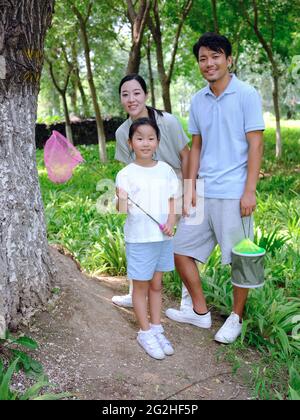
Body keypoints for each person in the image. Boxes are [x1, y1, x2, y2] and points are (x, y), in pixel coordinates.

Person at [166, 32, 265, 344]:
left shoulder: (247, 94)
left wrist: (249, 190)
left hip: (235, 193)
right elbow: (196, 146)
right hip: (204, 191)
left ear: (229, 59)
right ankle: (199, 311)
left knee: (241, 258)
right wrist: (190, 187)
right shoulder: (198, 100)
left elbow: (256, 144)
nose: (208, 63)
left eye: (215, 56)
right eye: (203, 59)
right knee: (180, 249)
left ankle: (236, 317)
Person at [112, 74, 192, 311]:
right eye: (125, 94)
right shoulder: (121, 133)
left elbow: (186, 155)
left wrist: (189, 191)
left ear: (146, 95)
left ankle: (188, 305)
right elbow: (128, 171)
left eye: (136, 93)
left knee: (183, 246)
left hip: (175, 184)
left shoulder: (167, 121)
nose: (131, 99)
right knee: (142, 236)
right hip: (144, 193)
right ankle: (135, 290)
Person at [116, 117, 178, 359]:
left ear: (158, 142)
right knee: (140, 287)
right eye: (139, 138)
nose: (145, 143)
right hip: (140, 239)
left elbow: (172, 200)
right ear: (131, 143)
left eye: (150, 138)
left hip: (162, 239)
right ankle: (144, 332)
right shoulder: (125, 174)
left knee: (156, 285)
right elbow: (121, 210)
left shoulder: (166, 170)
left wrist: (171, 222)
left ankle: (156, 327)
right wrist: (121, 197)